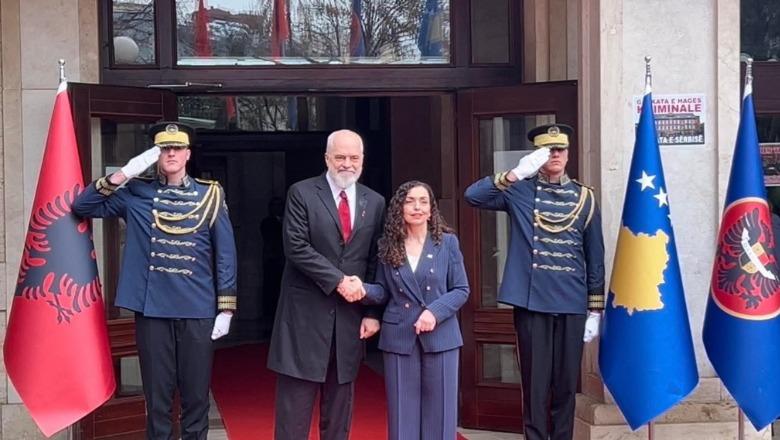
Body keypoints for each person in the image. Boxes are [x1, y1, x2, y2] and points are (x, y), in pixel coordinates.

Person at [72, 122, 237, 440]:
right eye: (164, 148)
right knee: (158, 401)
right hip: (153, 310)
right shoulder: (137, 192)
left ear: (188, 154)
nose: (171, 153)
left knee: (196, 399)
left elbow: (226, 254)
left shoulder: (210, 195)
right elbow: (82, 206)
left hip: (197, 309)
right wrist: (124, 174)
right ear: (155, 155)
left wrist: (226, 308)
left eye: (177, 148)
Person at [464, 123, 605, 440]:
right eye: (548, 150)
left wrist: (595, 309)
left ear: (568, 154)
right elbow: (473, 196)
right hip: (533, 301)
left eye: (560, 149)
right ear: (537, 155)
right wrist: (515, 174)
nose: (555, 155)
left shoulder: (585, 197)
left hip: (571, 302)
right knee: (535, 383)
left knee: (566, 384)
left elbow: (595, 255)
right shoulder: (520, 191)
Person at [267, 129, 386, 440]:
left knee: (338, 416)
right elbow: (296, 247)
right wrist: (338, 281)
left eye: (354, 157)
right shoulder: (302, 192)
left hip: (349, 320)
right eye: (340, 157)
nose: (347, 163)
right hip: (303, 319)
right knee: (293, 417)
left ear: (362, 160)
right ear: (327, 159)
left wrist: (372, 312)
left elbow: (375, 259)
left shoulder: (375, 201)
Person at [359, 180, 469, 440]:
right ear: (400, 208)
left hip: (441, 337)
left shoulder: (447, 243)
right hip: (400, 336)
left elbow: (461, 289)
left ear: (431, 209)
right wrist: (362, 289)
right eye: (409, 201)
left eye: (423, 201)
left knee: (440, 417)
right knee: (402, 416)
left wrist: (434, 312)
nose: (417, 207)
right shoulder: (387, 245)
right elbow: (383, 290)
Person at [260, 196, 285, 323]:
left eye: (279, 205)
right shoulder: (267, 222)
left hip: (285, 261)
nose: (277, 208)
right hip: (272, 260)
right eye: (274, 205)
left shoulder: (288, 221)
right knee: (270, 290)